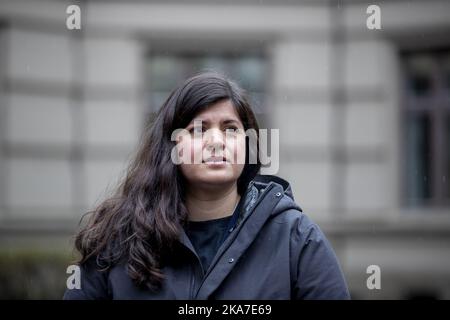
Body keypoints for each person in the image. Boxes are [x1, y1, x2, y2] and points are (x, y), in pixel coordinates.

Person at [63, 72, 350, 300]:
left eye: (231, 129)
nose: (216, 141)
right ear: (171, 146)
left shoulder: (296, 238)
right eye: (198, 129)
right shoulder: (117, 240)